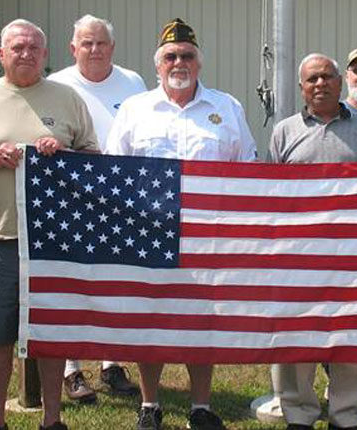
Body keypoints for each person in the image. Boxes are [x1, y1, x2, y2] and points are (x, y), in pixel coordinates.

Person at [0, 18, 98, 430]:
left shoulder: (67, 98)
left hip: (54, 242)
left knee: (50, 333)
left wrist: (63, 153)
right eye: (17, 47)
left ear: (46, 55)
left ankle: (52, 418)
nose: (26, 53)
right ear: (1, 55)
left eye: (34, 48)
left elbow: (93, 160)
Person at [104, 18, 255, 430]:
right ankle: (150, 404)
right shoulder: (135, 110)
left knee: (202, 319)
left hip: (209, 234)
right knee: (149, 319)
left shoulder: (226, 108)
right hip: (149, 233)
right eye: (170, 56)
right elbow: (114, 170)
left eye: (187, 55)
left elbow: (248, 169)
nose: (179, 62)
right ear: (158, 65)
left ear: (199, 63)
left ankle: (200, 407)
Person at [268, 53, 357, 430]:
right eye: (312, 78)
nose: (320, 84)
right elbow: (272, 194)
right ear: (302, 87)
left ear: (339, 82)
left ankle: (346, 413)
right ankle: (297, 412)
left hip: (350, 256)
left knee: (347, 330)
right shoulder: (284, 132)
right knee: (296, 334)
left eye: (327, 76)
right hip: (297, 254)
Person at [46, 13, 145, 401]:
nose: (94, 49)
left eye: (101, 42)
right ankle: (72, 370)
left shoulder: (133, 82)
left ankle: (112, 363)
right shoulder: (57, 85)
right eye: (86, 43)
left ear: (112, 47)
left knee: (115, 281)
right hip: (71, 198)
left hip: (121, 196)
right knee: (74, 282)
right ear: (73, 48)